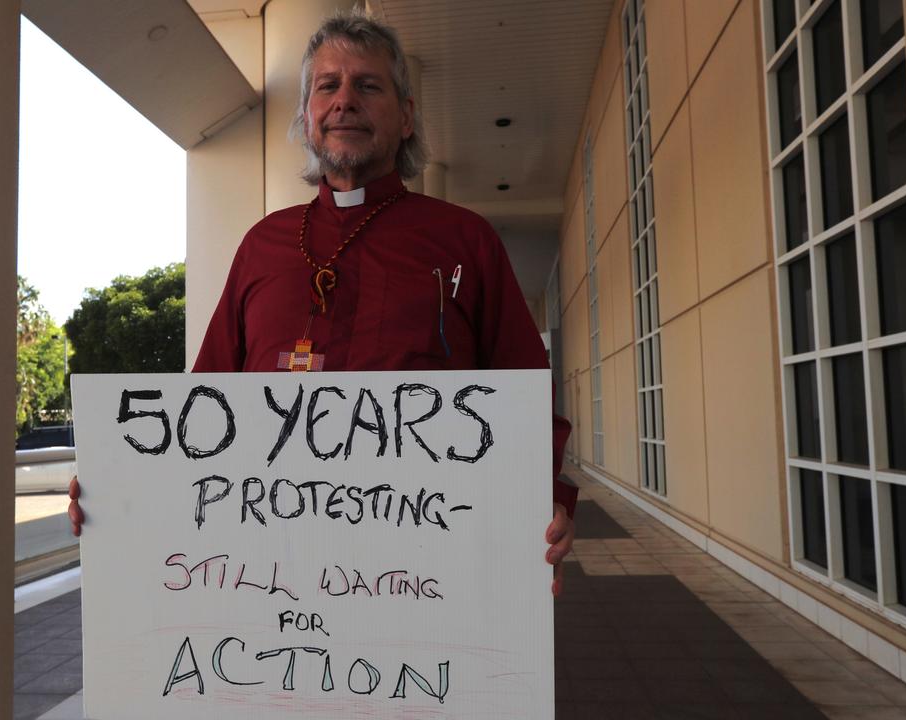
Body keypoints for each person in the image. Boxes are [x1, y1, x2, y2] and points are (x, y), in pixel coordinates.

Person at [70, 10, 578, 595]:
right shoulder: (262, 246)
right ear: (308, 117)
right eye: (327, 86)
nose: (345, 101)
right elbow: (203, 406)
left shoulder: (465, 240)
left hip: (429, 573)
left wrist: (549, 505)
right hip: (272, 574)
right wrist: (118, 489)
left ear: (406, 116)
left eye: (368, 85)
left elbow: (528, 399)